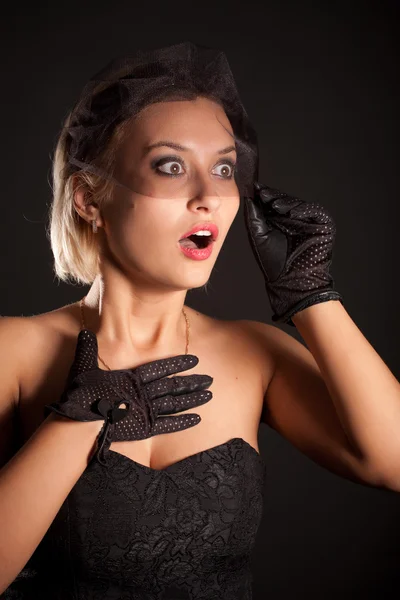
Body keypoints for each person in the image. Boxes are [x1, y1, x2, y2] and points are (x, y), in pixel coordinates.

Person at [1, 42, 399, 599]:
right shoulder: (11, 353)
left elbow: (393, 463)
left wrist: (310, 296)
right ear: (89, 198)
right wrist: (76, 423)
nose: (208, 196)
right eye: (170, 167)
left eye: (223, 169)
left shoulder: (255, 354)